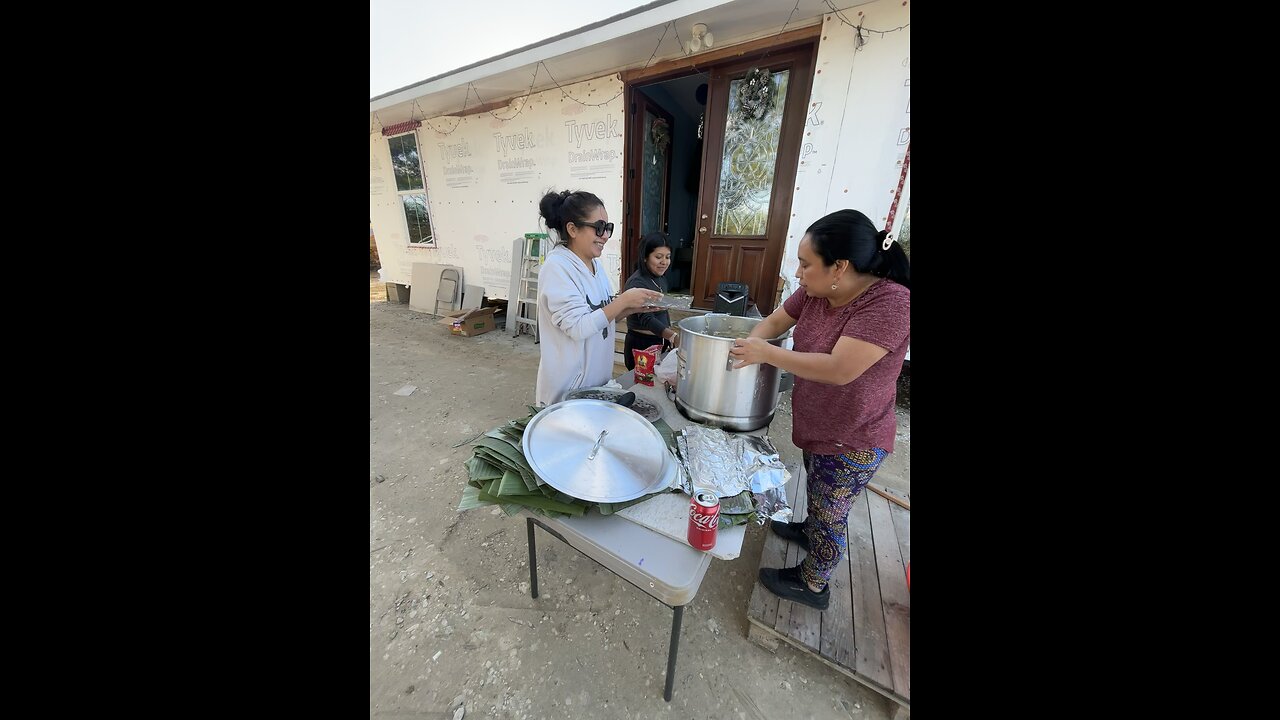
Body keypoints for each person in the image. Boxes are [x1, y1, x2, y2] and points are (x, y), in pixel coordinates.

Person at [728, 209, 910, 611]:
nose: (798, 272)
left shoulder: (891, 303)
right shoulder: (816, 291)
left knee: (832, 511)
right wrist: (746, 346)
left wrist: (768, 354)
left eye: (805, 264)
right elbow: (776, 320)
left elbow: (840, 369)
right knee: (817, 486)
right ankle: (809, 529)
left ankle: (814, 584)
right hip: (819, 422)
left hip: (854, 436)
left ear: (839, 268)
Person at [534, 190, 662, 406]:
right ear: (572, 229)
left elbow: (601, 318)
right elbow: (578, 327)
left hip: (596, 383)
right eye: (599, 228)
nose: (605, 236)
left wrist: (632, 308)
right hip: (569, 390)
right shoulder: (557, 268)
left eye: (608, 228)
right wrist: (623, 301)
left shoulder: (596, 266)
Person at [622, 231, 680, 371]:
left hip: (660, 340)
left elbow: (662, 310)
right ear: (645, 258)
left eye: (667, 257)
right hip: (642, 344)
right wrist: (672, 336)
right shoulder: (637, 282)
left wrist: (668, 335)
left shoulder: (660, 279)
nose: (664, 262)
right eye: (658, 257)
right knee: (641, 386)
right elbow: (646, 318)